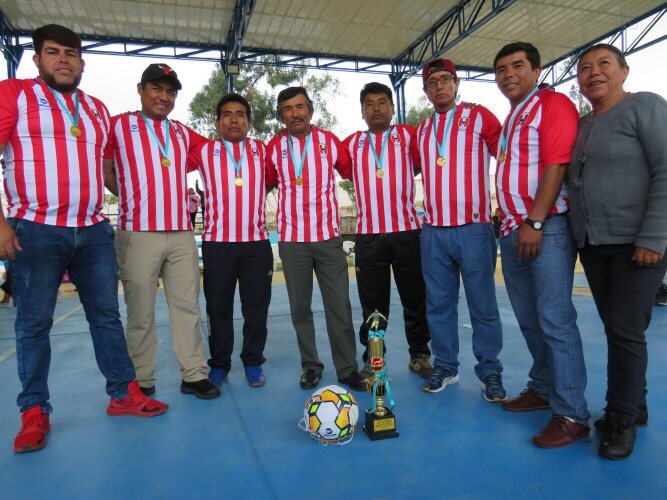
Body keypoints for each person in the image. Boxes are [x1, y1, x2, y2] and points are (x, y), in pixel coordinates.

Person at [0, 24, 168, 453]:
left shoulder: (95, 109)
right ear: (37, 59)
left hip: (92, 229)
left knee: (106, 317)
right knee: (33, 324)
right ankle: (34, 411)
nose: (63, 60)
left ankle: (122, 394)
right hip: (35, 228)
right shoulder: (14, 94)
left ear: (82, 62)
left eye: (71, 54)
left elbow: (108, 166)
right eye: (53, 52)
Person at [567, 43, 667, 459]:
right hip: (594, 244)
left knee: (625, 331)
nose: (594, 73)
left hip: (636, 243)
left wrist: (653, 238)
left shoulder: (645, 106)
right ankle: (635, 406)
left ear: (624, 70)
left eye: (604, 64)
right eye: (585, 68)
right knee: (618, 329)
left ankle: (621, 421)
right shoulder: (585, 123)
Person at [493, 42, 589, 448]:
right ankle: (544, 386)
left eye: (517, 66)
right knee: (530, 318)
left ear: (536, 69)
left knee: (554, 318)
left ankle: (571, 414)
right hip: (514, 230)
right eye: (500, 69)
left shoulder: (552, 104)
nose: (508, 74)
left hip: (543, 227)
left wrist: (535, 219)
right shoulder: (514, 114)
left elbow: (556, 164)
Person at [104, 63, 219, 400]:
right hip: (138, 232)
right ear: (141, 89)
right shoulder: (119, 125)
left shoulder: (183, 133)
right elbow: (105, 168)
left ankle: (194, 374)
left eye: (170, 92)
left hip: (181, 233)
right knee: (140, 309)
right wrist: (129, 194)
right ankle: (141, 378)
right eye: (157, 89)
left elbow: (217, 150)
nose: (163, 97)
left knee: (188, 307)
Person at [410, 59, 506, 401]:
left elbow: (507, 157)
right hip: (434, 231)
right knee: (438, 305)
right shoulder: (420, 131)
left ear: (456, 83)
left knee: (483, 305)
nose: (439, 86)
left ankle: (490, 371)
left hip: (474, 229)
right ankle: (446, 366)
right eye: (432, 82)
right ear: (425, 91)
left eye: (445, 79)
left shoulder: (481, 117)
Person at [265, 86, 364, 391]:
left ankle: (347, 368)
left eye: (299, 107)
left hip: (328, 239)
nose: (294, 114)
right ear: (281, 116)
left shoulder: (329, 142)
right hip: (293, 242)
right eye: (287, 109)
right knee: (299, 309)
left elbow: (353, 173)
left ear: (310, 109)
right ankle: (311, 366)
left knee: (339, 307)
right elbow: (264, 184)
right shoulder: (274, 147)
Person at [342, 82, 432, 380]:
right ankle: (374, 360)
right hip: (368, 237)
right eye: (370, 103)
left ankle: (419, 354)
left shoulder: (409, 136)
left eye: (382, 102)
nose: (376, 108)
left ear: (392, 108)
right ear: (362, 111)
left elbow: (427, 163)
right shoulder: (351, 144)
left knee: (415, 298)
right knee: (373, 305)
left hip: (407, 232)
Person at [188, 93, 272, 388]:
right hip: (217, 244)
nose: (233, 120)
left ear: (249, 122)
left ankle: (253, 362)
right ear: (217, 121)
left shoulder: (264, 150)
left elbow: (275, 179)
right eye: (227, 114)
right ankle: (220, 363)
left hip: (256, 244)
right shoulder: (203, 150)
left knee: (256, 308)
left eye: (240, 114)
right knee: (218, 308)